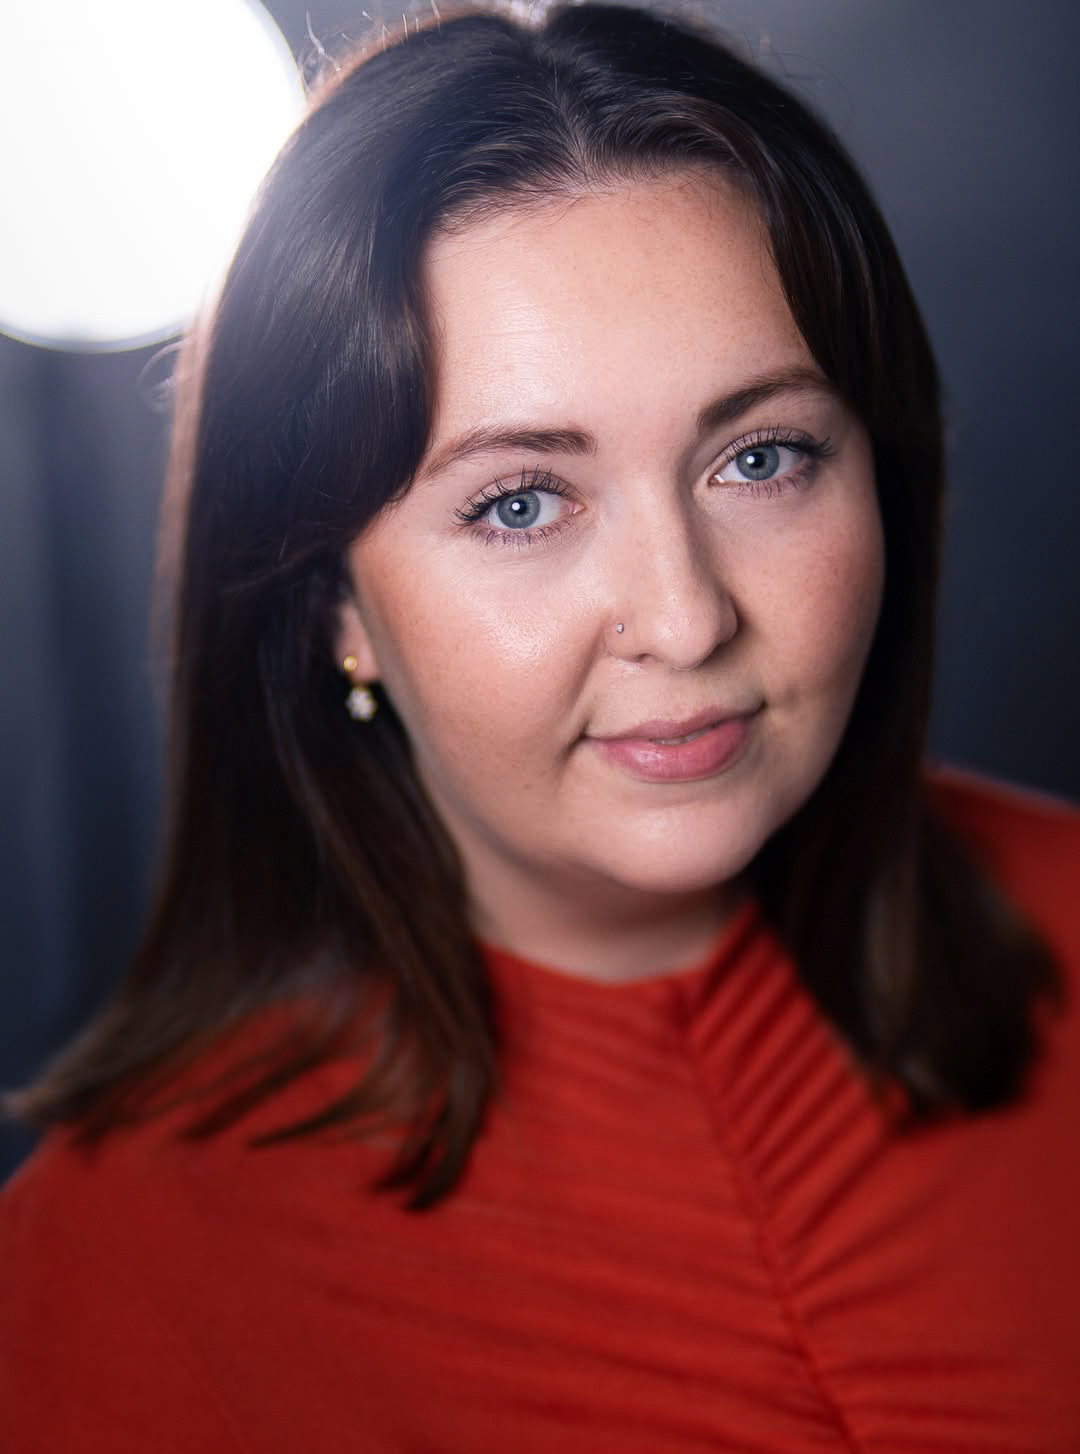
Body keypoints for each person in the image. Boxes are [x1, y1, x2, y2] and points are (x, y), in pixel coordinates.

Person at [3, 3, 1078, 1448]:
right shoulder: (106, 1284)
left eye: (761, 457)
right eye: (519, 502)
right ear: (330, 602)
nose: (684, 618)